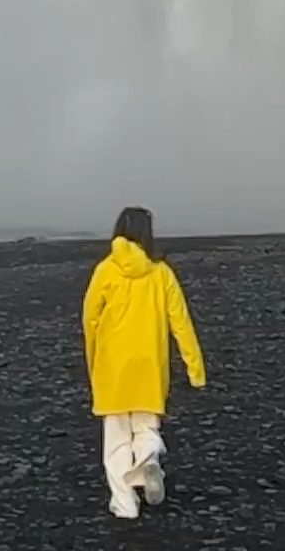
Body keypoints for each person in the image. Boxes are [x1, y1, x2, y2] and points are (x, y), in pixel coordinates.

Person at [82, 207, 206, 519]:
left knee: (116, 437)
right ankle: (148, 459)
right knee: (146, 424)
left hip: (112, 365)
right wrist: (195, 369)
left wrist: (93, 359)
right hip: (150, 363)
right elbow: (181, 322)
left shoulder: (106, 270)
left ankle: (125, 505)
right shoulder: (161, 272)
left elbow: (90, 319)